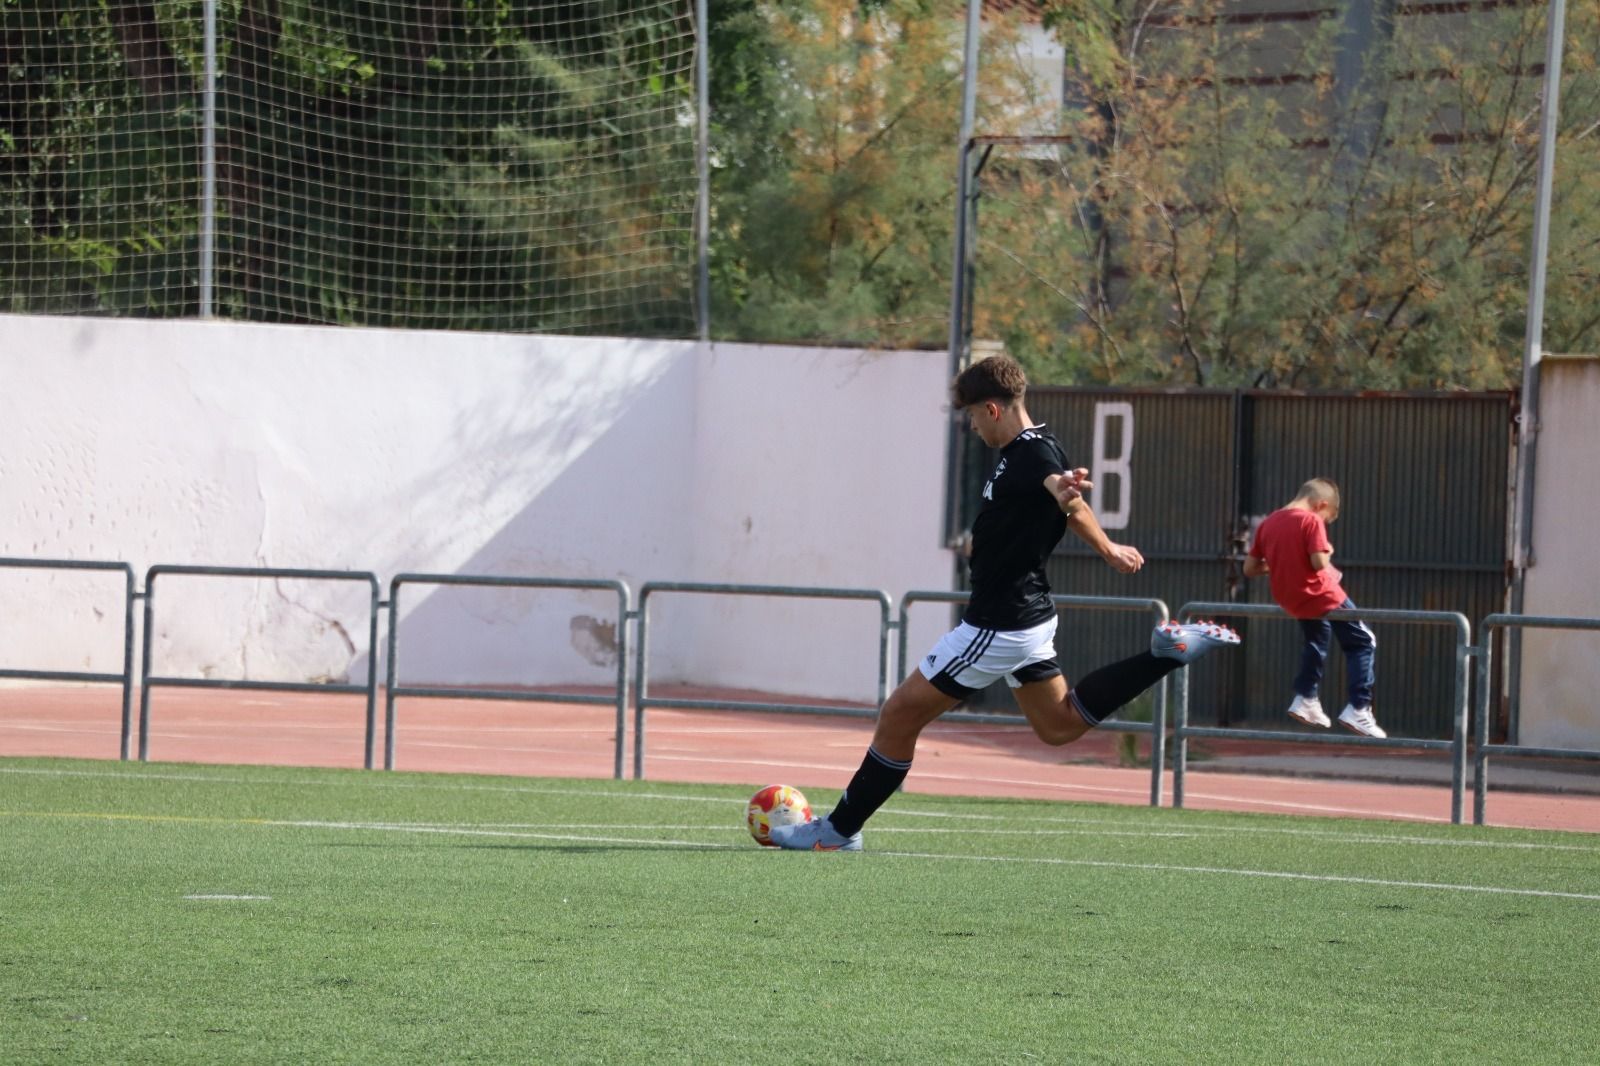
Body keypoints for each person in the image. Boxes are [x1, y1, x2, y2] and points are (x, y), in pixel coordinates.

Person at [771, 354, 1240, 852]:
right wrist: (1091, 528)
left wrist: (1093, 530)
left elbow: (1065, 496)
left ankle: (838, 830)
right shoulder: (1035, 447)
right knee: (1059, 726)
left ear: (992, 409)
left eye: (973, 416)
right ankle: (1163, 655)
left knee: (899, 715)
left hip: (998, 623)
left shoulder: (1033, 455)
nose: (973, 427)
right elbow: (1065, 499)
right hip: (1025, 617)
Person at [1241, 477, 1384, 738]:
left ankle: (1306, 697)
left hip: (1291, 596)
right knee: (1363, 641)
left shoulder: (1270, 522)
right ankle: (1359, 707)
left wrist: (1283, 562)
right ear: (1321, 505)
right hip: (1321, 593)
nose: (1325, 523)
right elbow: (1318, 562)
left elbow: (1249, 569)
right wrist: (1327, 549)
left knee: (1317, 641)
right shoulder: (1311, 520)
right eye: (1328, 518)